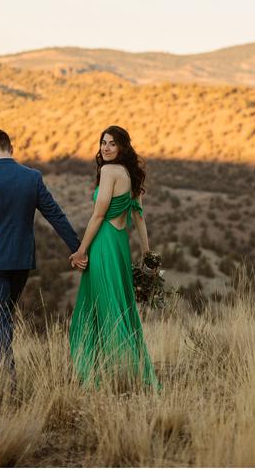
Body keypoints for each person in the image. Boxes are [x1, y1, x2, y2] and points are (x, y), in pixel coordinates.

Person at [0, 129, 85, 388]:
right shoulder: (31, 177)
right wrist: (78, 248)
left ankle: (8, 380)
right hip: (21, 263)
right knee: (4, 318)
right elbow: (55, 215)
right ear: (11, 148)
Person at [68, 125, 162, 392]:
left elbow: (98, 215)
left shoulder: (109, 171)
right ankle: (123, 372)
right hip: (121, 245)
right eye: (103, 143)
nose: (106, 148)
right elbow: (139, 217)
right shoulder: (129, 174)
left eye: (112, 143)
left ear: (122, 147)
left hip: (105, 244)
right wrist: (146, 255)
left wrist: (81, 250)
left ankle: (108, 375)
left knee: (99, 309)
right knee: (120, 307)